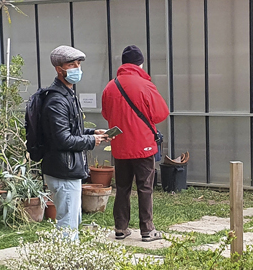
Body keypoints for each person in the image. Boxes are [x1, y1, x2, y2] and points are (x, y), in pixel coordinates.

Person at [101, 45, 169, 242]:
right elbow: (161, 113)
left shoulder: (110, 86)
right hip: (143, 146)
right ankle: (147, 229)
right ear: (141, 63)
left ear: (123, 63)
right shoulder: (145, 85)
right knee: (145, 187)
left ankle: (120, 228)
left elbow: (107, 114)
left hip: (120, 146)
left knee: (122, 187)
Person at [40, 45, 111, 234]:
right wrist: (90, 142)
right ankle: (64, 262)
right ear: (58, 69)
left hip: (68, 168)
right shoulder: (57, 100)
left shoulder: (67, 95)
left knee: (72, 219)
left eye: (78, 64)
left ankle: (67, 258)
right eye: (71, 65)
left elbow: (70, 129)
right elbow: (62, 139)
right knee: (68, 224)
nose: (77, 69)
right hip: (63, 170)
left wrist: (91, 134)